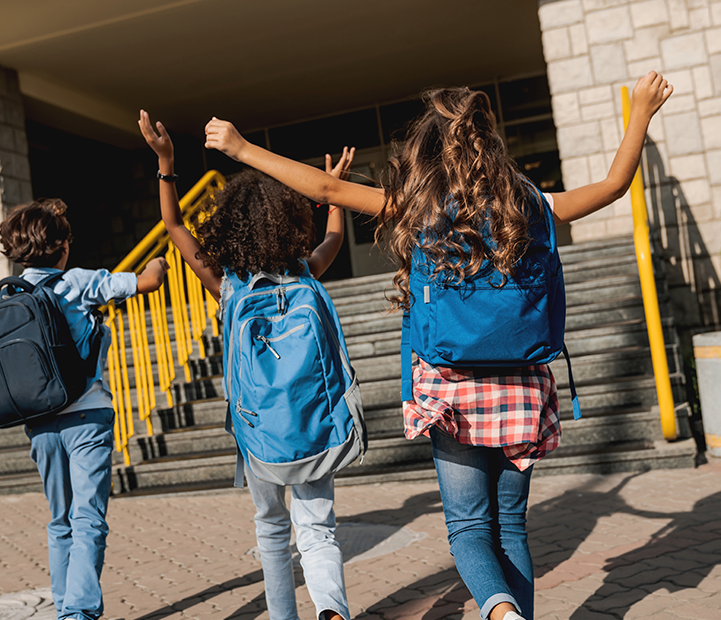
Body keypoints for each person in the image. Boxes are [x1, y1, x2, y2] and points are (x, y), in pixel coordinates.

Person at [202, 71, 674, 620]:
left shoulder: (419, 206)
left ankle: (501, 614)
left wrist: (241, 148)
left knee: (470, 528)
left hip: (449, 388)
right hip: (522, 386)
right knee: (511, 526)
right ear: (489, 145)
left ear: (428, 150)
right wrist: (640, 110)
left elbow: (328, 191)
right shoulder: (530, 204)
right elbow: (615, 186)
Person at [0, 198, 168, 620]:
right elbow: (145, 283)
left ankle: (66, 607)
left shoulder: (0, 306)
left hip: (39, 424)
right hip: (88, 418)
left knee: (60, 520)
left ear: (14, 253)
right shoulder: (77, 283)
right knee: (88, 519)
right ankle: (76, 612)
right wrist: (157, 263)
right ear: (62, 246)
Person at [138, 110, 355, 620]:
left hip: (257, 427)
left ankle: (283, 616)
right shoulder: (305, 272)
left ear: (230, 227)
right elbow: (335, 241)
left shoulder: (228, 286)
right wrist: (332, 196)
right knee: (317, 528)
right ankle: (332, 611)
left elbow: (172, 224)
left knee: (272, 527)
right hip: (310, 419)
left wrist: (167, 160)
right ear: (287, 223)